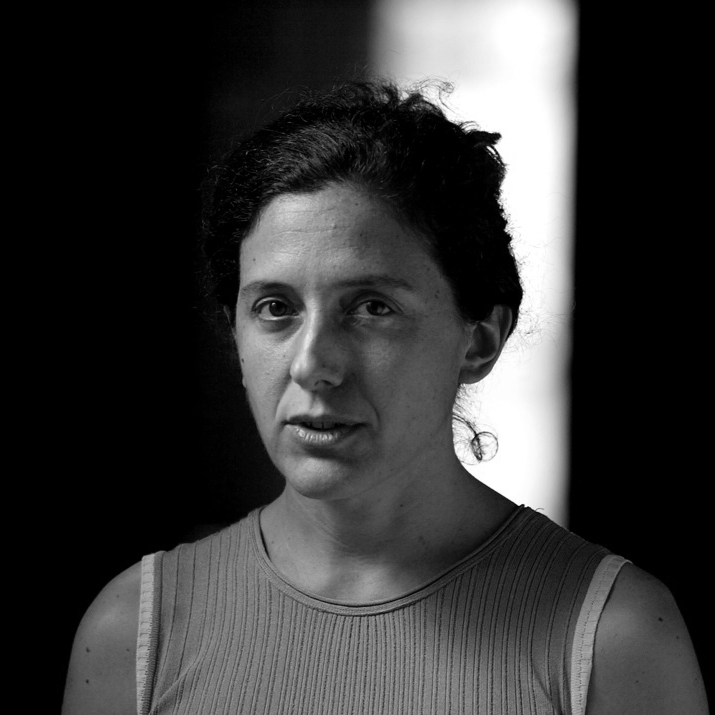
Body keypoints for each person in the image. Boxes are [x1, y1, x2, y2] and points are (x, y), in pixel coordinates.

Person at [62, 81, 708, 715]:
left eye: (372, 307)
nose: (313, 365)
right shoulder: (137, 631)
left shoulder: (611, 638)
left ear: (479, 340)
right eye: (276, 307)